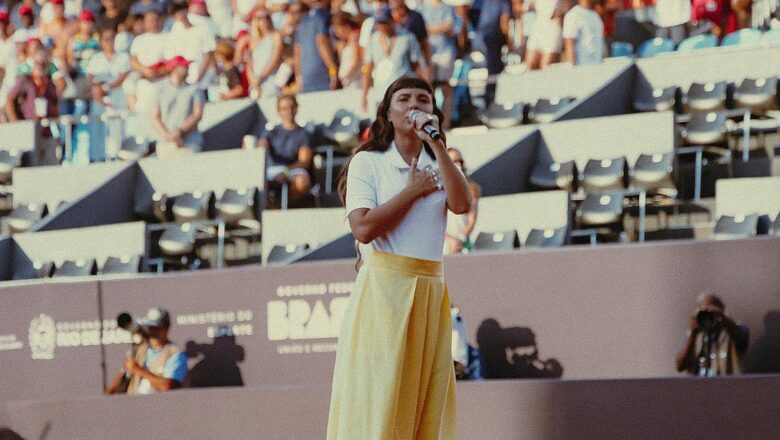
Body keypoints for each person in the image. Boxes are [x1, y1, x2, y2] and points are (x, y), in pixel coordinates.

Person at [328, 75, 472, 439]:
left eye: (423, 100)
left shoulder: (440, 162)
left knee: (425, 400)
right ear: (388, 114)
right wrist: (413, 191)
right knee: (379, 399)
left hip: (430, 289)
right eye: (404, 99)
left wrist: (438, 148)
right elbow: (363, 228)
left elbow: (462, 203)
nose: (414, 105)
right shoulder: (368, 163)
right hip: (384, 291)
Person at [106, 308, 188, 395]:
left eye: (157, 327)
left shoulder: (175, 354)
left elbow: (167, 386)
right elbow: (113, 387)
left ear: (167, 327)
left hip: (160, 406)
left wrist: (138, 370)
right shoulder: (140, 350)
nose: (153, 331)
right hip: (133, 405)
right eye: (150, 327)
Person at [361, 7, 426, 112]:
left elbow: (418, 66)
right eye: (379, 23)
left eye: (384, 23)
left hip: (404, 93)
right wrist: (364, 96)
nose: (381, 27)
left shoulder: (407, 37)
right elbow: (367, 69)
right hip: (381, 93)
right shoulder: (372, 41)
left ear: (391, 21)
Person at [257, 94, 313, 207]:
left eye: (292, 107)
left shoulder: (304, 134)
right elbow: (259, 151)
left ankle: (280, 206)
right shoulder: (270, 132)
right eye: (284, 108)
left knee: (302, 182)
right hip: (271, 170)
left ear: (296, 107)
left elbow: (304, 162)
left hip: (292, 171)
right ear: (279, 111)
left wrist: (285, 171)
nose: (289, 111)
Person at [675, 293, 750, 377]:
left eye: (712, 307)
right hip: (698, 387)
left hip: (727, 386)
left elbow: (742, 340)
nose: (708, 314)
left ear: (722, 309)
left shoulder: (734, 330)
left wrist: (723, 319)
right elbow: (680, 366)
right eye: (703, 310)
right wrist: (693, 333)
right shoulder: (694, 335)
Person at [151, 56, 205, 155]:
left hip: (190, 141)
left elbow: (197, 114)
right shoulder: (160, 88)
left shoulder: (195, 89)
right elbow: (155, 116)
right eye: (184, 65)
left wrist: (179, 132)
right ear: (175, 68)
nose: (187, 67)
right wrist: (167, 136)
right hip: (165, 142)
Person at [420, 0, 456, 129]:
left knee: (445, 86)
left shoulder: (447, 8)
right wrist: (441, 28)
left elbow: (450, 28)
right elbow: (423, 30)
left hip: (444, 52)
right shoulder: (421, 8)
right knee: (429, 89)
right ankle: (431, 124)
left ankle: (446, 124)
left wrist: (431, 29)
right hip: (427, 54)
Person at [294, 0, 340, 92]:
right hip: (323, 75)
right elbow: (321, 41)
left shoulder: (303, 20)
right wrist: (333, 72)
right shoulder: (323, 16)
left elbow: (297, 51)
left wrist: (299, 78)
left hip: (306, 78)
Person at [444, 147, 479, 254]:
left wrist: (459, 240)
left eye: (460, 161)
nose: (458, 164)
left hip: (463, 244)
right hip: (443, 245)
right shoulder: (438, 189)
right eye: (454, 161)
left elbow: (471, 220)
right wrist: (450, 241)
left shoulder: (472, 188)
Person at [475, 0, 511, 103]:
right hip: (491, 41)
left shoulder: (483, 2)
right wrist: (509, 43)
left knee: (493, 68)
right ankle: (491, 98)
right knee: (494, 70)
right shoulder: (503, 3)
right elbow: (504, 24)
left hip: (480, 40)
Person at [245, 7, 284, 99]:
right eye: (260, 18)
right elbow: (249, 64)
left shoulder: (276, 36)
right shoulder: (254, 41)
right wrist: (253, 81)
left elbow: (275, 59)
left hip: (271, 80)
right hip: (256, 84)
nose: (264, 20)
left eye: (267, 17)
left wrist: (260, 77)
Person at [562, 0, 604, 66]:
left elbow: (600, 45)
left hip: (596, 68)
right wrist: (573, 68)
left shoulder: (596, 16)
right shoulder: (573, 15)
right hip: (581, 69)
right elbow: (569, 44)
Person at [525, 0, 563, 70]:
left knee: (547, 68)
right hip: (538, 28)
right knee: (530, 65)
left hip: (553, 29)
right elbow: (524, 6)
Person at [331, 12, 361, 89]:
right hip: (347, 82)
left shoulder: (355, 39)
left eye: (337, 29)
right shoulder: (343, 43)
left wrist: (344, 76)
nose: (336, 33)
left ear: (346, 26)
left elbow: (356, 60)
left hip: (356, 82)